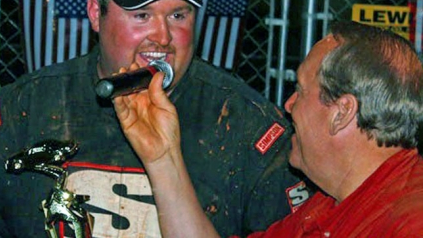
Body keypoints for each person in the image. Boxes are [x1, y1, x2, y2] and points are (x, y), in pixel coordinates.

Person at [0, 0, 311, 237]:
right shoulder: (16, 113)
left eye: (178, 15)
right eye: (141, 15)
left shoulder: (251, 129)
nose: (162, 37)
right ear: (96, 14)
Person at [113, 21, 423, 237]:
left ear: (341, 112)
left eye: (300, 91)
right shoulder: (333, 204)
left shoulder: (409, 222)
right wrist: (163, 158)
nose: (288, 105)